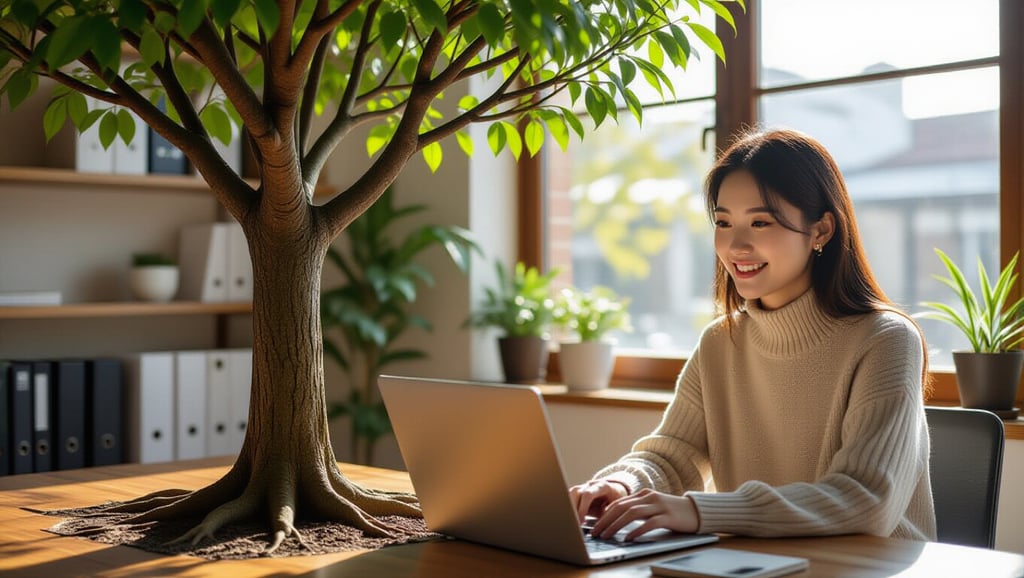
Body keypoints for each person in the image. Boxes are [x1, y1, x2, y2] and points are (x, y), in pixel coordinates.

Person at [569, 128, 937, 543]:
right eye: (724, 222)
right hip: (760, 564)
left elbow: (865, 499)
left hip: (873, 567)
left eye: (760, 222)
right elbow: (673, 454)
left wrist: (697, 510)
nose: (735, 245)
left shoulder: (885, 339)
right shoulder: (720, 342)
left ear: (821, 231)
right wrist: (622, 485)